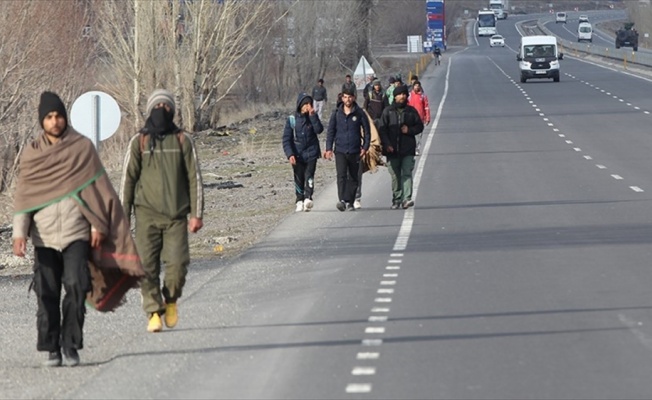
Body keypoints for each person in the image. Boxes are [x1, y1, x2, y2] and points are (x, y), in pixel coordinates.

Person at [13, 92, 143, 367]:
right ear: (42, 121)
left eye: (58, 115)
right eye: (49, 117)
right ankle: (51, 348)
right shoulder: (32, 154)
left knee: (76, 286)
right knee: (46, 292)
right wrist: (19, 234)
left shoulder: (82, 148)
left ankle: (71, 345)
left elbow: (98, 191)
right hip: (44, 237)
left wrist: (97, 225)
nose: (55, 121)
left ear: (65, 117)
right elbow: (24, 197)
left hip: (76, 234)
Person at [121, 89, 204, 333]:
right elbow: (127, 181)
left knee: (178, 265)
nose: (162, 111)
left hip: (177, 216)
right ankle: (153, 312)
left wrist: (196, 214)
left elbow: (194, 178)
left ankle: (171, 300)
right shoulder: (139, 142)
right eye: (157, 107)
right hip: (146, 216)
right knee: (146, 267)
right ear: (150, 111)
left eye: (166, 107)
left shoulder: (182, 140)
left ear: (173, 111)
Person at [378, 84, 424, 209]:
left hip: (407, 149)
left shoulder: (411, 111)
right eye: (399, 94)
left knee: (407, 173)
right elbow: (382, 130)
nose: (402, 96)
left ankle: (407, 198)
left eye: (404, 94)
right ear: (395, 97)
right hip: (392, 150)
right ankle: (397, 198)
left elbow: (420, 126)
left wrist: (409, 130)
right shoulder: (388, 111)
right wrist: (387, 144)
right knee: (395, 175)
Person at [325, 88, 370, 211]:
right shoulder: (336, 113)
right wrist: (328, 148)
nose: (347, 99)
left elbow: (367, 131)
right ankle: (342, 200)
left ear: (354, 97)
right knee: (341, 176)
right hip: (340, 149)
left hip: (355, 150)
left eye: (350, 97)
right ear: (342, 98)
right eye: (345, 97)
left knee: (354, 177)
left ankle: (351, 201)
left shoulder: (359, 113)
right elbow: (331, 132)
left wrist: (365, 147)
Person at [283, 93, 324, 212]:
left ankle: (308, 198)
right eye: (305, 104)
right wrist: (290, 154)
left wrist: (313, 116)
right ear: (300, 105)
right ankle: (299, 200)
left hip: (312, 153)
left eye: (309, 104)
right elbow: (286, 139)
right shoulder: (292, 120)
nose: (308, 106)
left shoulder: (312, 118)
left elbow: (319, 130)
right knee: (299, 178)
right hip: (297, 154)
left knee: (309, 176)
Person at [407, 80, 430, 156]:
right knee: (411, 134)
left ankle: (417, 148)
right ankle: (412, 148)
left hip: (420, 118)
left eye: (418, 86)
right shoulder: (409, 96)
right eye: (415, 86)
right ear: (413, 87)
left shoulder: (423, 96)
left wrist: (427, 117)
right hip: (411, 118)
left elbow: (426, 107)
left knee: (419, 135)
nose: (417, 87)